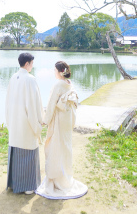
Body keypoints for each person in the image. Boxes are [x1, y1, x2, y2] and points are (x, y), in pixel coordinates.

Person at [35, 61, 88, 199]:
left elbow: (52, 104)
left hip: (59, 120)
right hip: (67, 120)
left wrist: (45, 120)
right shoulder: (69, 83)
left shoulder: (58, 84)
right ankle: (65, 177)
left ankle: (56, 179)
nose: (53, 72)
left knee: (55, 147)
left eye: (54, 70)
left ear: (59, 71)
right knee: (65, 147)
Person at [5, 52, 44, 194]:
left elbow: (7, 103)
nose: (32, 66)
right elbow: (33, 105)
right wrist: (38, 123)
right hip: (26, 123)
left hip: (15, 121)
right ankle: (28, 186)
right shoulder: (30, 79)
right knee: (28, 151)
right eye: (32, 63)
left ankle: (14, 184)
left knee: (16, 150)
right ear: (27, 63)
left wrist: (9, 121)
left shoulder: (13, 77)